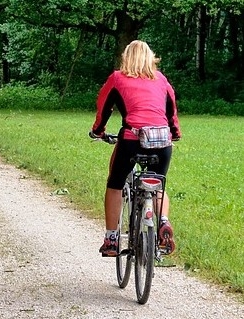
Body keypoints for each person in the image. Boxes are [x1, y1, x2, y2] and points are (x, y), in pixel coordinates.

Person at [89, 40, 182, 257]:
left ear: (126, 57)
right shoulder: (161, 80)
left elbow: (103, 108)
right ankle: (163, 222)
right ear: (151, 58)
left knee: (115, 183)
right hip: (162, 141)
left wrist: (98, 131)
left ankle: (111, 239)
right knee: (158, 184)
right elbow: (172, 112)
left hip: (132, 138)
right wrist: (174, 133)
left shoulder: (117, 78)